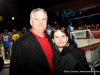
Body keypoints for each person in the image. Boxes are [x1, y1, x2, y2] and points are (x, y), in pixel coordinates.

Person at [10, 8, 56, 75]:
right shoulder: (20, 43)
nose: (41, 22)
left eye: (43, 19)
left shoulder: (50, 39)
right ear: (31, 22)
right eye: (37, 19)